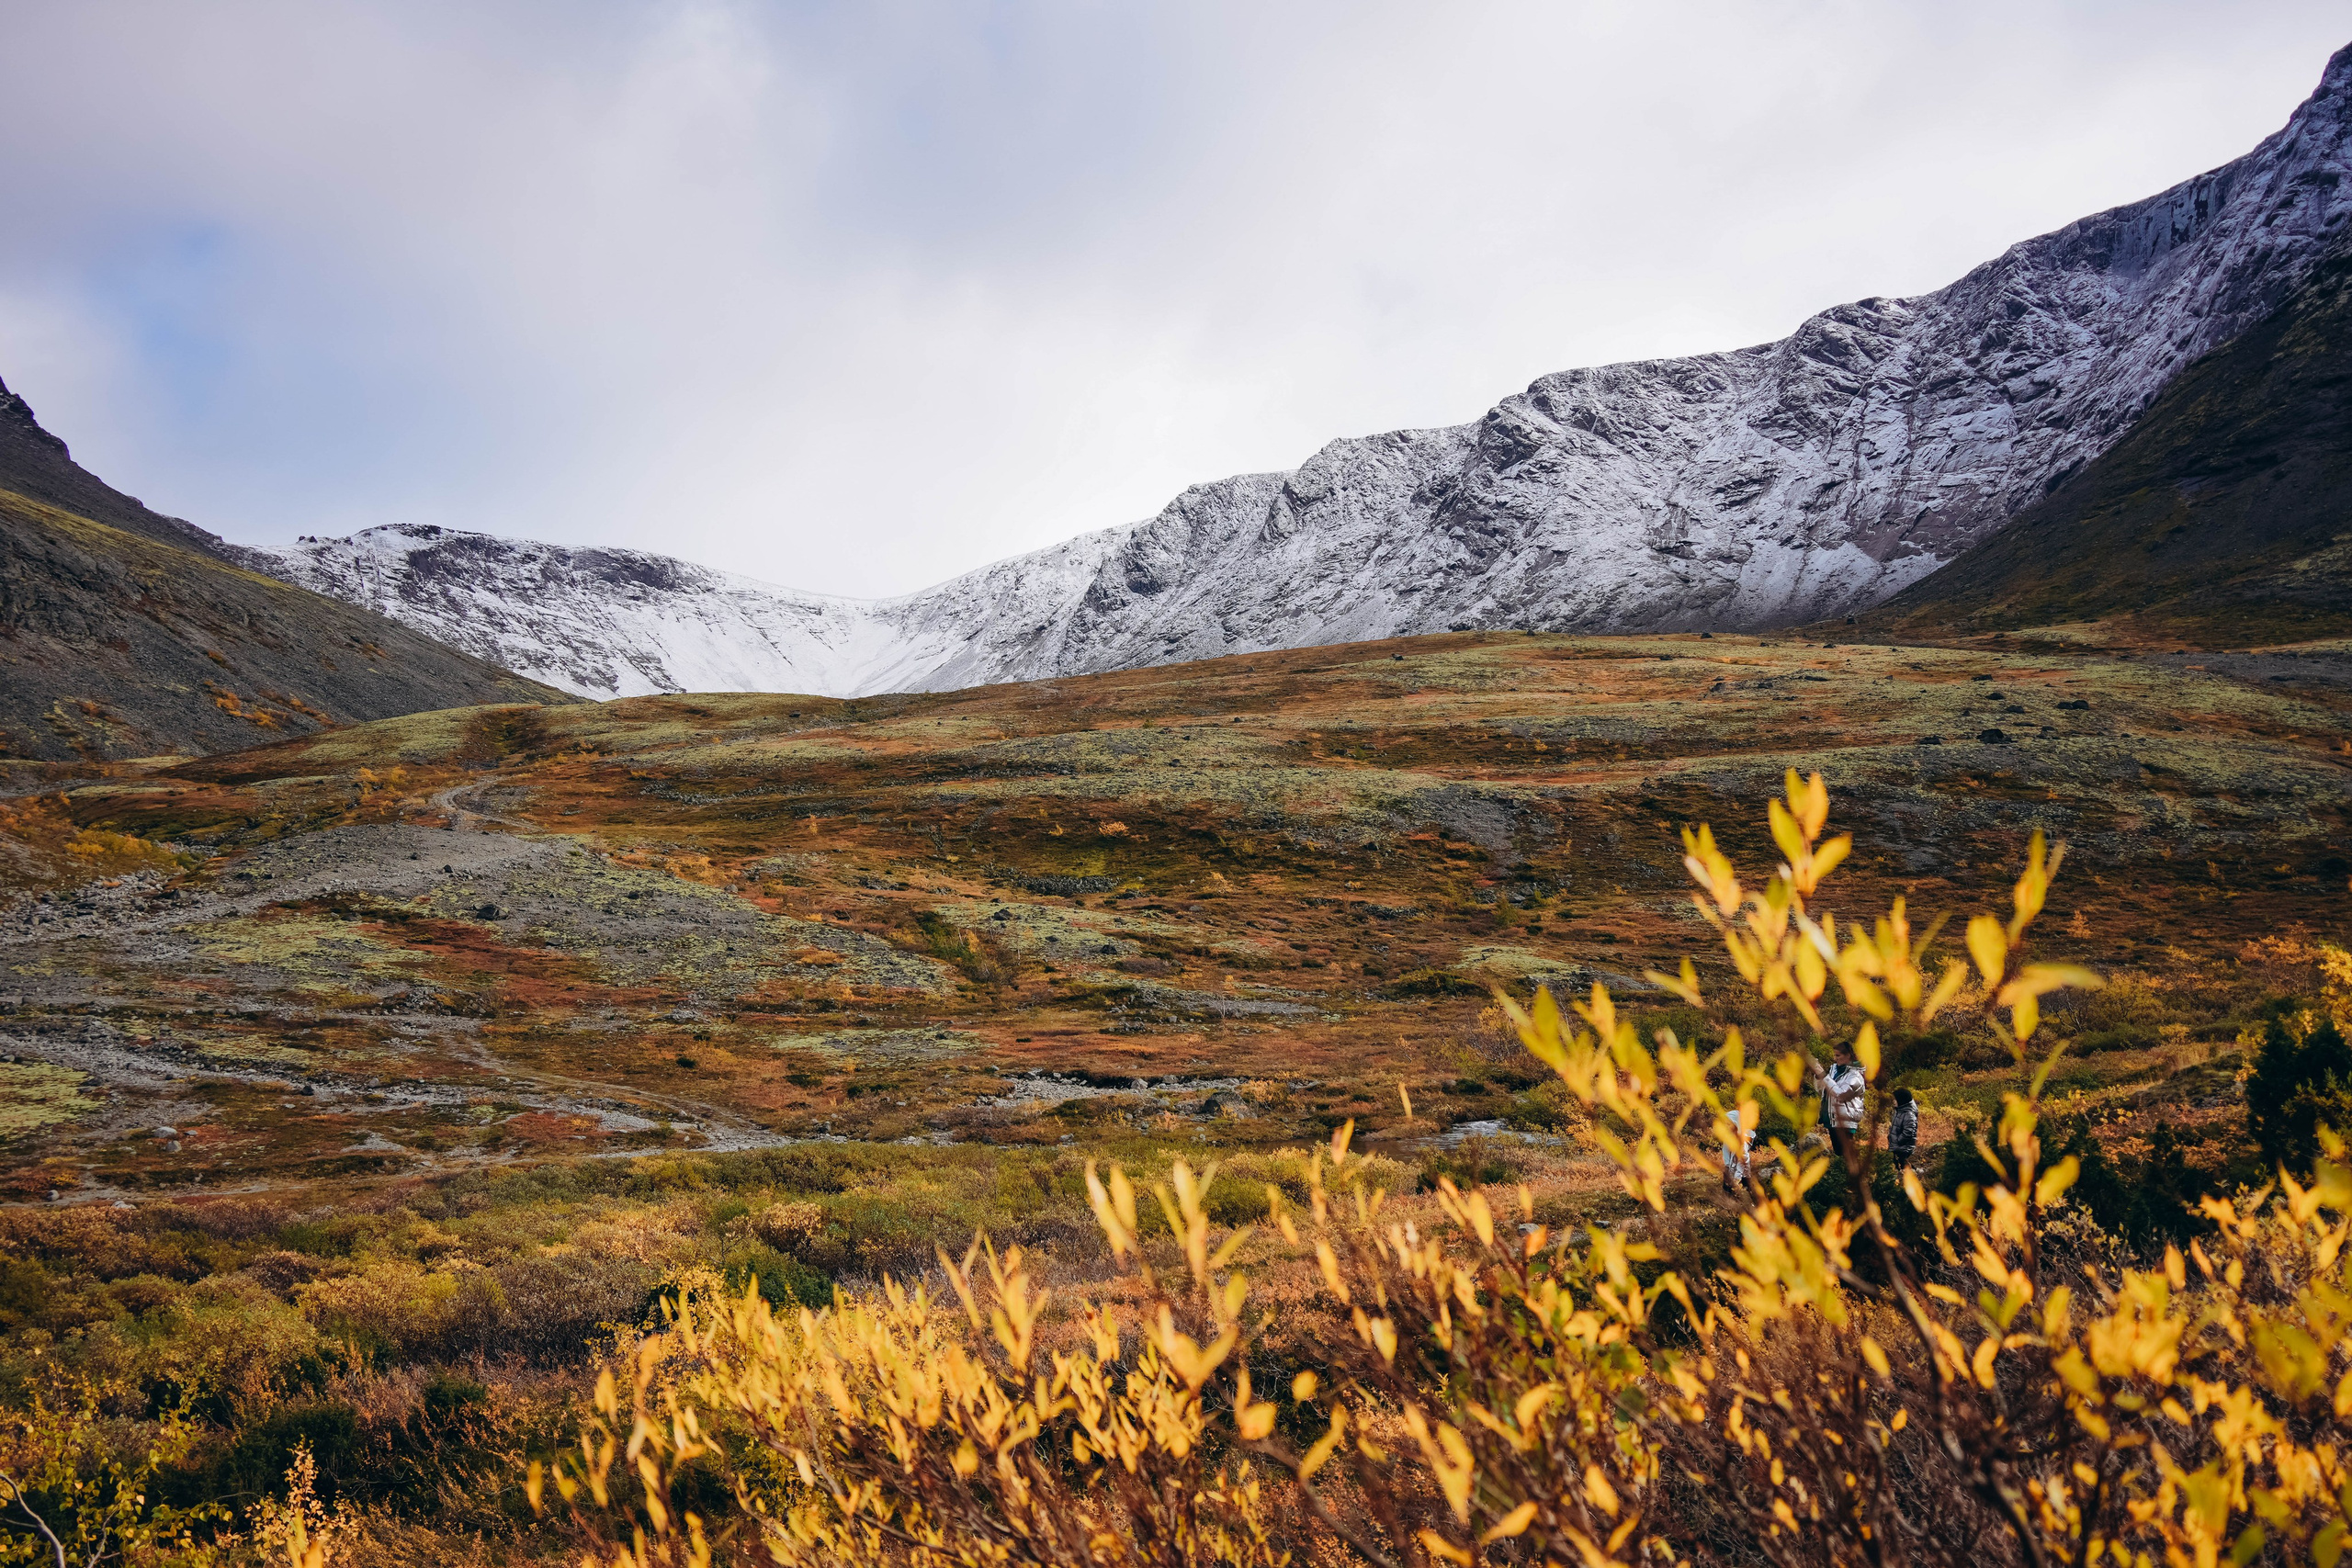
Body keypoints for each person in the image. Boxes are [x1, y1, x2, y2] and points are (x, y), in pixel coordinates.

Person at [1820, 1040, 1867, 1165]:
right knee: (1839, 1156)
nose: (1835, 1059)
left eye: (1838, 1056)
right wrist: (1818, 1076)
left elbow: (1841, 1095)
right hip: (1832, 1119)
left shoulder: (1856, 1076)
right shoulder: (1834, 1070)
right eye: (1834, 1055)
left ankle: (1856, 1182)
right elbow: (1824, 1091)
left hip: (1846, 1122)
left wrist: (1825, 1077)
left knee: (1847, 1157)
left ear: (1848, 1055)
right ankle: (1845, 1182)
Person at [1888, 1087, 1919, 1172]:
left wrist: (1898, 1140)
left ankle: (1913, 1173)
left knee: (1901, 1162)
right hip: (1897, 1145)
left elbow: (1909, 1131)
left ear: (1901, 1101)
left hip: (1903, 1146)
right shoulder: (1899, 1111)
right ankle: (1913, 1171)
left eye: (1895, 1100)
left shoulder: (1909, 1114)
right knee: (1898, 1162)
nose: (1893, 1101)